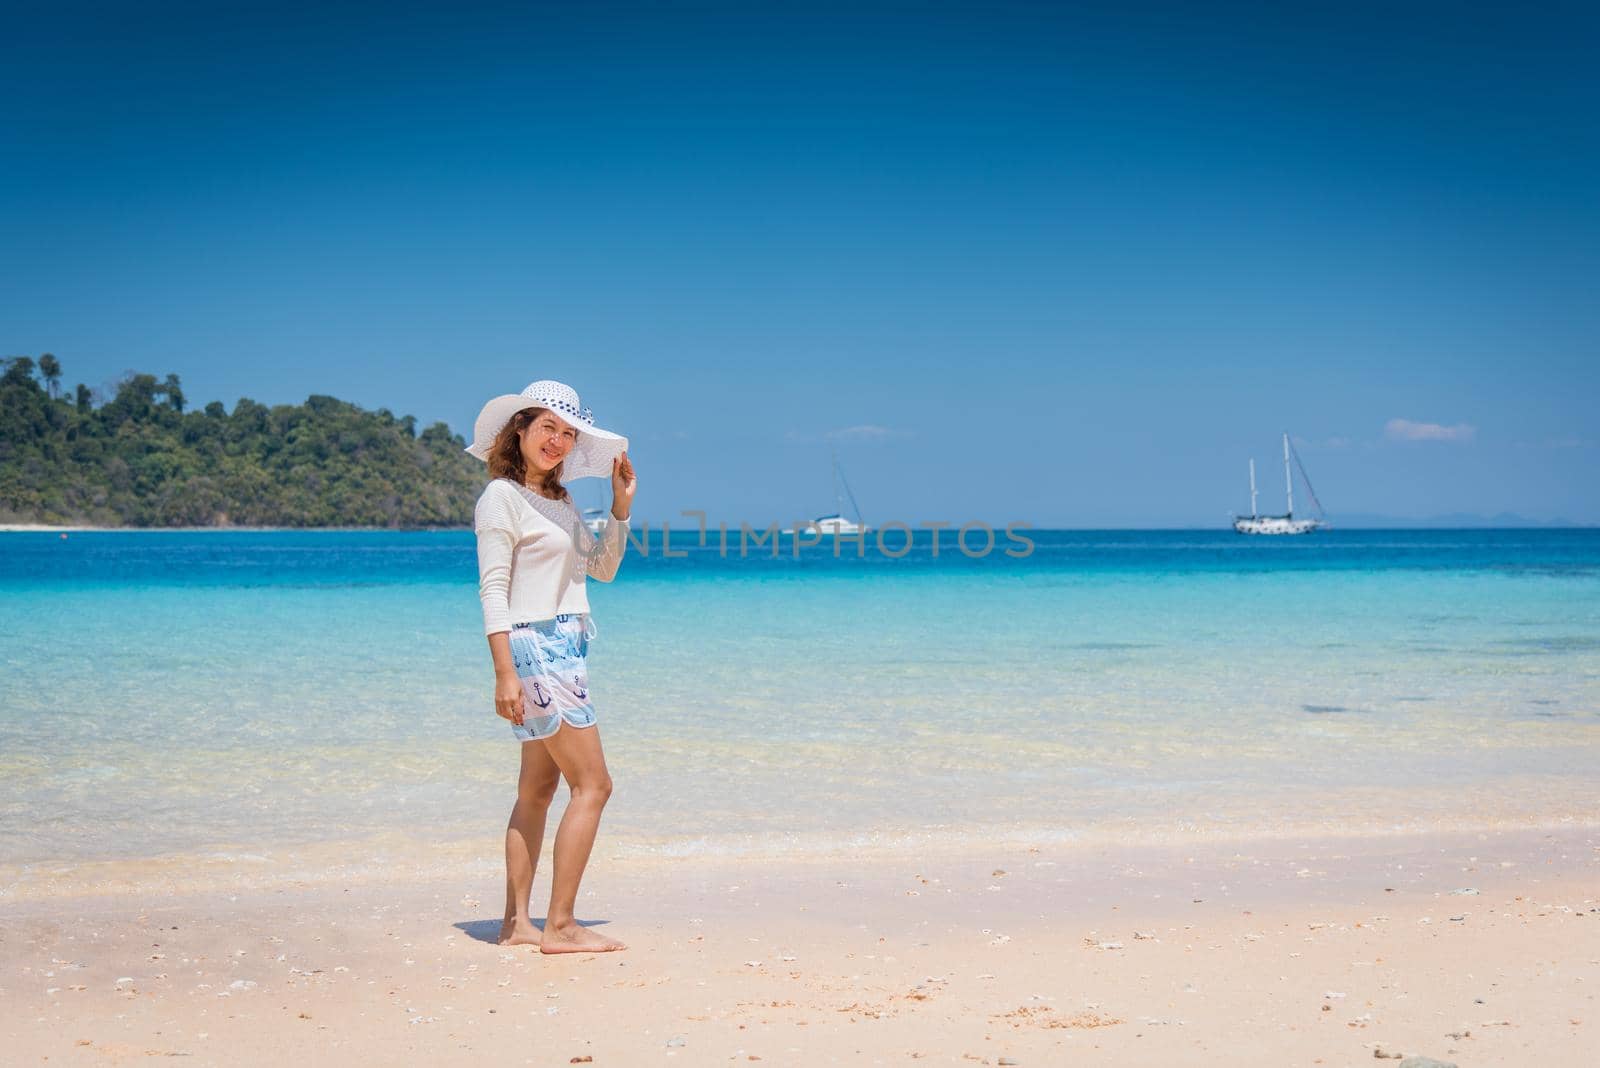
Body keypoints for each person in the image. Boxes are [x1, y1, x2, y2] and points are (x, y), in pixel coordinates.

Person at [465, 379, 636, 953]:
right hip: (535, 649)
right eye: (548, 428)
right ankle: (559, 926)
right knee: (595, 784)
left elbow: (602, 571)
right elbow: (493, 590)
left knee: (537, 789)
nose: (558, 441)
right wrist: (503, 671)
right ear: (521, 427)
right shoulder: (501, 498)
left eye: (568, 432)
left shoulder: (560, 502)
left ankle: (516, 925)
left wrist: (619, 507)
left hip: (566, 646)